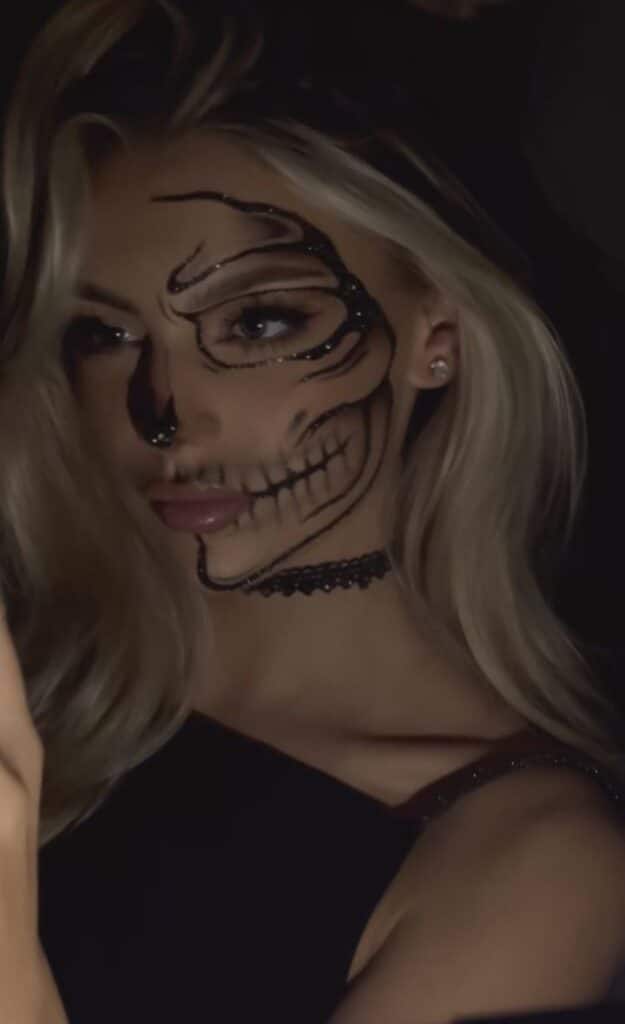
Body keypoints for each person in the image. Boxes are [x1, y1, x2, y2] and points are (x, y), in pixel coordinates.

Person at [1, 1, 625, 1021]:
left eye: (258, 320)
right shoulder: (44, 682)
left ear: (435, 332)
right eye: (104, 335)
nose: (166, 414)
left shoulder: (529, 863)